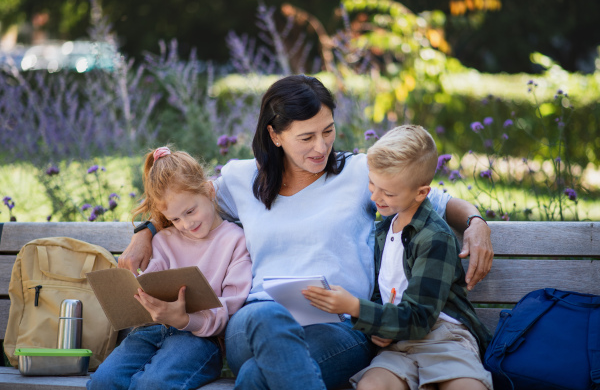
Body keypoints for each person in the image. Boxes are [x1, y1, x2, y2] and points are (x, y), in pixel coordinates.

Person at [118, 75, 493, 389]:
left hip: (338, 327)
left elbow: (439, 201)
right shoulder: (240, 178)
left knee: (254, 377)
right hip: (253, 323)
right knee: (266, 319)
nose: (321, 146)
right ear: (276, 135)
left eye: (327, 131)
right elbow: (183, 201)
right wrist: (145, 231)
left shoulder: (359, 173)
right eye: (306, 137)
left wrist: (476, 223)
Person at [303, 125, 493, 390]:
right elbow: (385, 292)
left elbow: (419, 318)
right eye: (372, 183)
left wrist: (355, 307)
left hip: (443, 338)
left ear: (421, 193)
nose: (375, 197)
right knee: (371, 385)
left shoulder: (434, 238)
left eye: (388, 193)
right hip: (397, 344)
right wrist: (377, 328)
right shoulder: (384, 230)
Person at [87, 147, 252, 390]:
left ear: (209, 191)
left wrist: (184, 318)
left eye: (190, 211)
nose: (186, 224)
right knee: (103, 381)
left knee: (152, 384)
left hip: (198, 338)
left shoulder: (235, 241)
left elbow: (229, 309)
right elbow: (151, 285)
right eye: (175, 219)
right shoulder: (163, 240)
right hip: (150, 332)